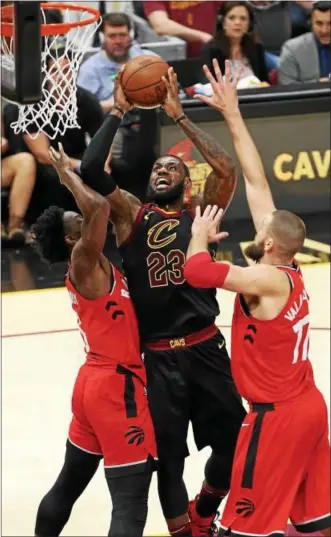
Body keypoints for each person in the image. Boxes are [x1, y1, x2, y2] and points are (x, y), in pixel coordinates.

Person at [75, 64, 247, 537]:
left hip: (206, 346)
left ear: (186, 183)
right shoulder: (131, 215)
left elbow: (226, 169)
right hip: (158, 357)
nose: (163, 170)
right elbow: (90, 169)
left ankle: (206, 506)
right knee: (167, 461)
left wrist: (182, 116)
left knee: (236, 438)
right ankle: (184, 533)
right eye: (157, 167)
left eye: (171, 167)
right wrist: (118, 112)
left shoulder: (201, 214)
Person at [184, 59, 331, 537]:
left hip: (278, 419)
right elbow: (256, 180)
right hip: (309, 405)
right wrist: (232, 113)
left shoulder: (264, 280)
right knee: (315, 523)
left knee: (242, 529)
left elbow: (196, 271)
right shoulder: (285, 269)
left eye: (262, 225)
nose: (256, 219)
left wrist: (201, 233)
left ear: (269, 243)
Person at [32, 144, 157, 537]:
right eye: (78, 219)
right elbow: (99, 209)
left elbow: (101, 205)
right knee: (131, 503)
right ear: (73, 239)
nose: (85, 216)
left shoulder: (98, 262)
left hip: (93, 383)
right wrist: (66, 174)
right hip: (114, 389)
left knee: (67, 485)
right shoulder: (83, 263)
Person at [202, 2, 269, 84]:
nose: (237, 22)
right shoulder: (211, 50)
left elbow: (265, 82)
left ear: (249, 24)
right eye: (231, 18)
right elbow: (208, 85)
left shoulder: (256, 47)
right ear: (222, 22)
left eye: (243, 18)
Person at [279, 1, 331, 85]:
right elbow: (287, 87)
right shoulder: (292, 49)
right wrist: (317, 84)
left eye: (330, 23)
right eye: (319, 23)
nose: (324, 30)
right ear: (310, 23)